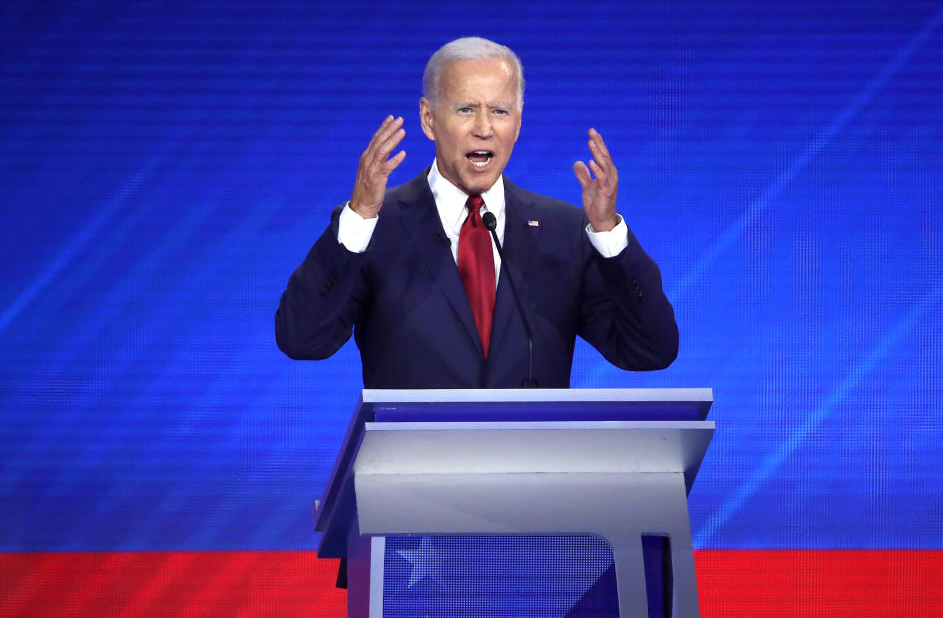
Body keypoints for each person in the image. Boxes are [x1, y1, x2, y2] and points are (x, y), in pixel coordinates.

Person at [275, 37, 677, 388]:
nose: (484, 128)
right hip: (414, 471)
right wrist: (360, 215)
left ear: (518, 124)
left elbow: (650, 351)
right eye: (466, 109)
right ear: (429, 120)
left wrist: (608, 234)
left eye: (500, 111)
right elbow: (303, 340)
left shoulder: (565, 231)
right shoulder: (374, 227)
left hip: (530, 470)